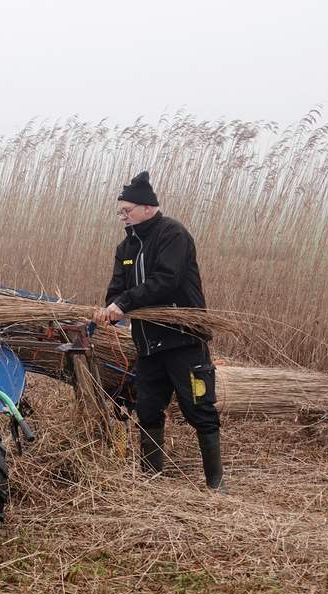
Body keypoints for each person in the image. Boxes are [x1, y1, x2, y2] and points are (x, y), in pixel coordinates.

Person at [93, 172, 224, 492]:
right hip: (148, 344)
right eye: (120, 212)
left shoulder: (173, 235)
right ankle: (152, 480)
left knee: (199, 409)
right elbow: (117, 289)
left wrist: (125, 303)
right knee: (148, 408)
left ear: (148, 207)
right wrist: (112, 308)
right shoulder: (126, 246)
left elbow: (165, 280)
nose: (122, 216)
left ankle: (216, 485)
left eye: (127, 210)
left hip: (183, 338)